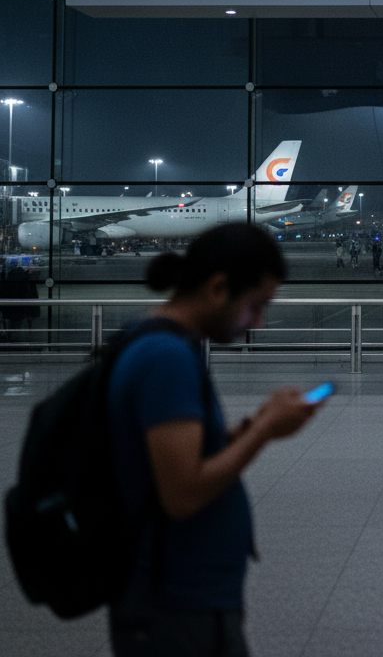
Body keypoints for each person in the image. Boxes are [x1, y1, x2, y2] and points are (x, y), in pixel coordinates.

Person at [106, 225, 323, 657]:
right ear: (218, 287)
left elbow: (164, 454)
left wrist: (237, 433)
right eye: (256, 306)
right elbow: (182, 494)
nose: (257, 323)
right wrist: (263, 432)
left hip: (186, 600)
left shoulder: (154, 341)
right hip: (178, 607)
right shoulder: (166, 358)